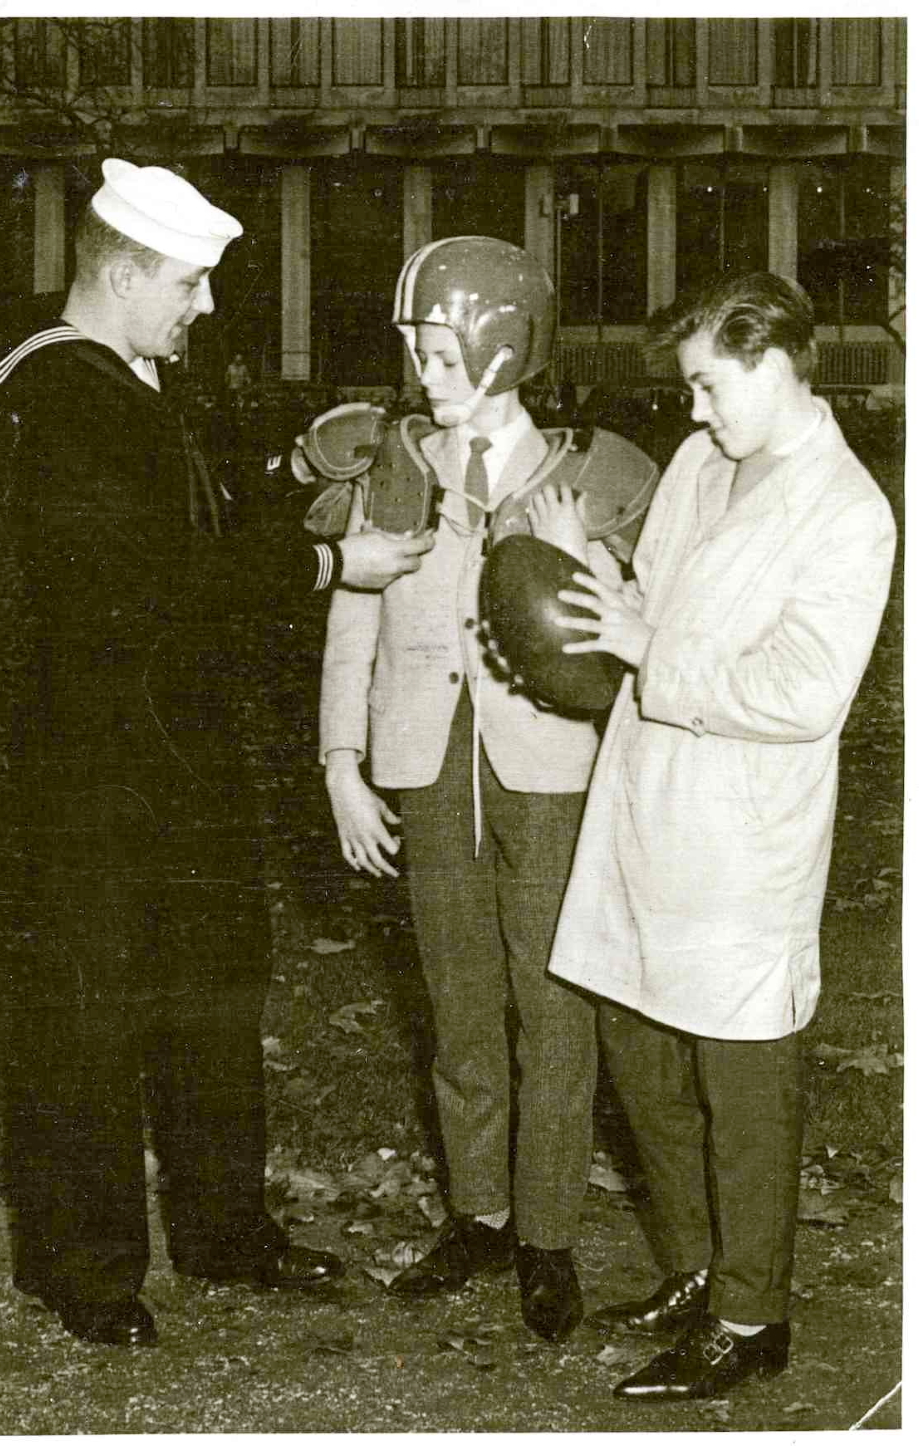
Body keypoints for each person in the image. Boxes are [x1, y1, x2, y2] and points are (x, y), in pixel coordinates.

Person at [0, 157, 432, 1349]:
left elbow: (187, 523)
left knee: (215, 988)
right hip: (84, 763)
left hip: (183, 749)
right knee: (86, 1010)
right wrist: (328, 566)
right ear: (122, 272)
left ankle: (227, 1231)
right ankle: (83, 1269)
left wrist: (301, 473)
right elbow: (141, 579)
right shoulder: (53, 394)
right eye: (193, 282)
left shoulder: (131, 378)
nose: (207, 305)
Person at [531, 271, 896, 1399]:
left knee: (743, 1082)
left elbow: (802, 693)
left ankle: (751, 1317)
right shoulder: (701, 465)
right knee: (639, 1047)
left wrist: (647, 647)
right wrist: (576, 565)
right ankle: (692, 1265)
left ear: (777, 359)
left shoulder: (849, 509)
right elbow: (646, 602)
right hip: (645, 799)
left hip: (744, 832)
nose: (692, 410)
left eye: (706, 384)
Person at [318, 236, 658, 1343]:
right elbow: (353, 619)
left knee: (553, 1007)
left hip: (550, 763)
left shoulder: (591, 468)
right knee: (457, 1003)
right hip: (422, 761)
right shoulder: (390, 459)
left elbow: (627, 626)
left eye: (442, 345)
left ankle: (548, 1233)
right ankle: (479, 1213)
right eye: (414, 347)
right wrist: (340, 767)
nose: (425, 368)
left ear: (505, 341)